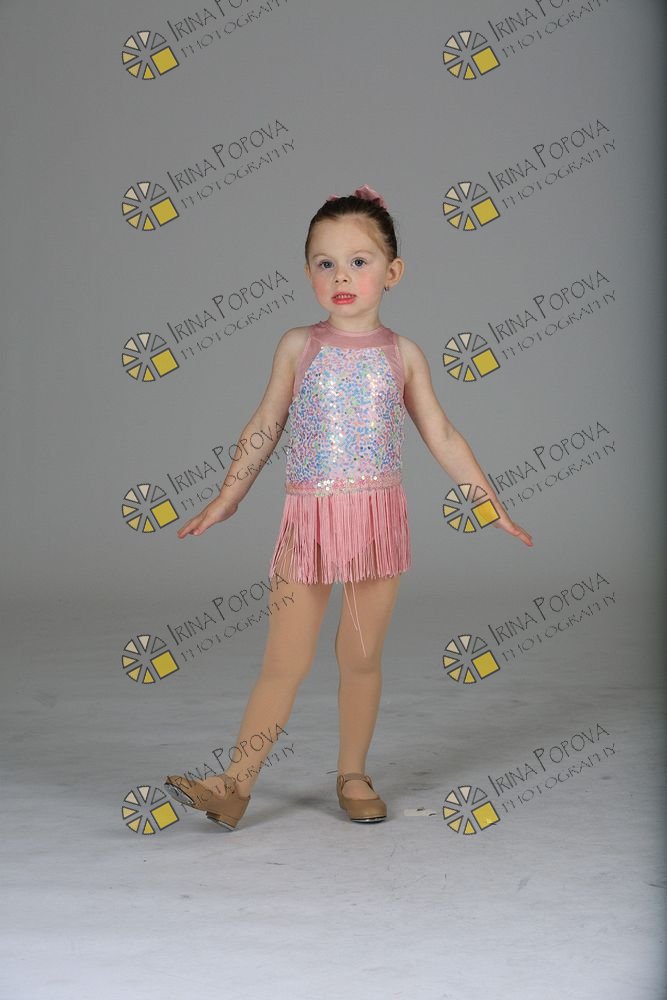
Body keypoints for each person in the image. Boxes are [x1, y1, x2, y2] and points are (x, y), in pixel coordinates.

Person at [165, 184, 532, 830]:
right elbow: (264, 426)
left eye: (359, 262)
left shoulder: (402, 355)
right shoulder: (297, 346)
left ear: (393, 272)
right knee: (284, 660)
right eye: (325, 262)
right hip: (307, 523)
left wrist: (487, 501)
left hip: (374, 525)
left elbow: (442, 435)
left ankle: (353, 773)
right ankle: (234, 785)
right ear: (307, 271)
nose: (341, 276)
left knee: (359, 657)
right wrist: (227, 497)